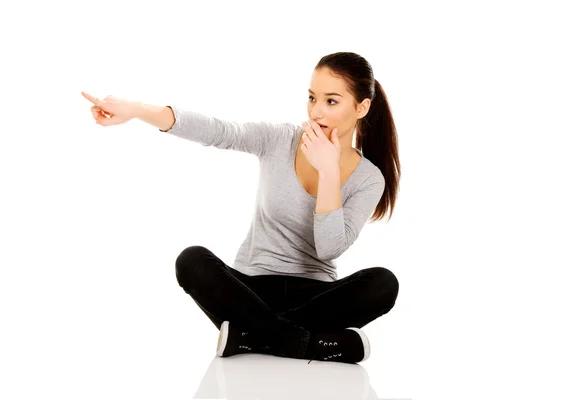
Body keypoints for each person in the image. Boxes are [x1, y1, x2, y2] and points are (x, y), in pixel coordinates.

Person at [82, 51, 401, 365]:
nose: (316, 112)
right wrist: (136, 110)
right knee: (191, 260)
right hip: (248, 292)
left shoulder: (369, 179)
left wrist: (329, 174)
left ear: (362, 107)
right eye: (311, 98)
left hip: (316, 296)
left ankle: (250, 338)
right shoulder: (279, 139)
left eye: (331, 101)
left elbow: (328, 249)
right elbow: (218, 131)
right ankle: (307, 343)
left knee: (384, 284)